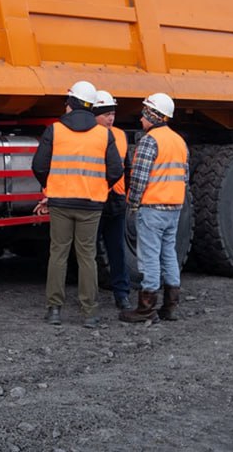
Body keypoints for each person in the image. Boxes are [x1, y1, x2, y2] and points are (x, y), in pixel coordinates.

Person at [31, 81, 123, 328]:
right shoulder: (104, 134)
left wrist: (51, 187)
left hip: (60, 202)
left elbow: (39, 165)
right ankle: (89, 313)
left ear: (70, 103)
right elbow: (116, 169)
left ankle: (54, 310)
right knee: (87, 257)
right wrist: (100, 186)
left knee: (58, 254)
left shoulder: (55, 130)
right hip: (91, 204)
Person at [119, 92, 190, 324]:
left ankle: (146, 308)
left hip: (153, 207)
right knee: (168, 254)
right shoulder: (179, 141)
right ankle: (170, 306)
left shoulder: (150, 141)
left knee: (149, 256)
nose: (141, 119)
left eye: (144, 114)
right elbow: (185, 177)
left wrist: (132, 203)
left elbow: (139, 177)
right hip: (174, 207)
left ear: (153, 115)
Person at [92, 90, 132, 310]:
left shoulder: (120, 135)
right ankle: (89, 297)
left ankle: (122, 293)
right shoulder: (88, 134)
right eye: (106, 113)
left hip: (114, 200)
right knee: (89, 251)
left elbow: (126, 167)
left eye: (113, 114)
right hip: (95, 198)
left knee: (116, 248)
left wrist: (126, 195)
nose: (111, 118)